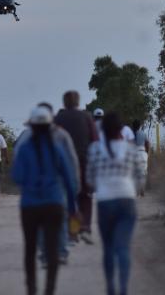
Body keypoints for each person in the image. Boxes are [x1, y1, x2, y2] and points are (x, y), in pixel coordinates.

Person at [13, 106, 78, 295]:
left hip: (29, 206)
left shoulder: (24, 149)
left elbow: (17, 176)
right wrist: (72, 207)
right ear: (50, 126)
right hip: (54, 203)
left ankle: (31, 289)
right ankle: (49, 290)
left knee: (30, 250)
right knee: (52, 250)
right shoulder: (57, 148)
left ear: (32, 126)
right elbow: (68, 178)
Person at [86, 112, 145, 295]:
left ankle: (110, 287)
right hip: (127, 200)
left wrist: (101, 186)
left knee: (109, 248)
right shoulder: (131, 149)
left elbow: (89, 180)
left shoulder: (95, 149)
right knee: (123, 247)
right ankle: (123, 289)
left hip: (105, 201)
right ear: (122, 129)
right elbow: (141, 179)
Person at [55, 90, 97, 244]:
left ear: (64, 103)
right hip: (84, 160)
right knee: (85, 195)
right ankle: (85, 227)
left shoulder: (58, 118)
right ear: (78, 102)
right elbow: (94, 139)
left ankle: (73, 230)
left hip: (64, 163)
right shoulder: (86, 117)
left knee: (68, 197)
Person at [132, 119, 149, 196]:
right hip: (143, 153)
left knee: (134, 173)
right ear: (140, 126)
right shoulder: (143, 133)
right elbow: (147, 144)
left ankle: (136, 191)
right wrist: (147, 153)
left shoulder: (131, 134)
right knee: (143, 173)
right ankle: (142, 189)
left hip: (134, 154)